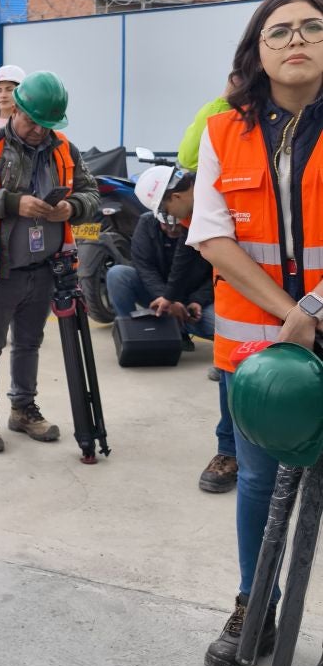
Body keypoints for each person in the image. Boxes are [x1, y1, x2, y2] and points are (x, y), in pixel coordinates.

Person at [186, 0, 323, 666]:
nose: (295, 40)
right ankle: (255, 605)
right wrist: (292, 314)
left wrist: (318, 305)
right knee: (260, 486)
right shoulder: (223, 131)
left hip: (312, 326)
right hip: (259, 353)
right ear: (257, 52)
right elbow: (211, 236)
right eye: (279, 32)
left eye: (311, 28)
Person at [0, 70, 99, 453]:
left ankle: (22, 408)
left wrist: (70, 208)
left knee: (29, 342)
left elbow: (91, 194)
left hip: (45, 268)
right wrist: (12, 202)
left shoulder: (63, 148)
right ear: (16, 109)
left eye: (48, 124)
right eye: (34, 121)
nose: (40, 130)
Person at [108, 167, 235, 493]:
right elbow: (145, 267)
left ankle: (219, 357)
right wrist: (166, 299)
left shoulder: (205, 212)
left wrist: (187, 302)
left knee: (222, 326)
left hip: (193, 302)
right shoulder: (156, 224)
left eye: (169, 210)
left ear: (177, 196)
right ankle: (134, 335)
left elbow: (211, 269)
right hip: (162, 300)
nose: (169, 219)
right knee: (119, 275)